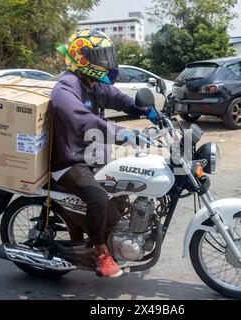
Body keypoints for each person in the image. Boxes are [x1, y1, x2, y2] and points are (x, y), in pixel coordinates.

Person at [51, 30, 159, 278]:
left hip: (93, 156)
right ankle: (100, 251)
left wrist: (146, 111)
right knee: (100, 199)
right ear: (82, 58)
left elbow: (121, 100)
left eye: (107, 56)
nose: (107, 63)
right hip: (69, 160)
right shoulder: (65, 89)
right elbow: (84, 121)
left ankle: (114, 237)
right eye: (102, 57)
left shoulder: (95, 84)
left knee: (124, 190)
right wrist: (124, 133)